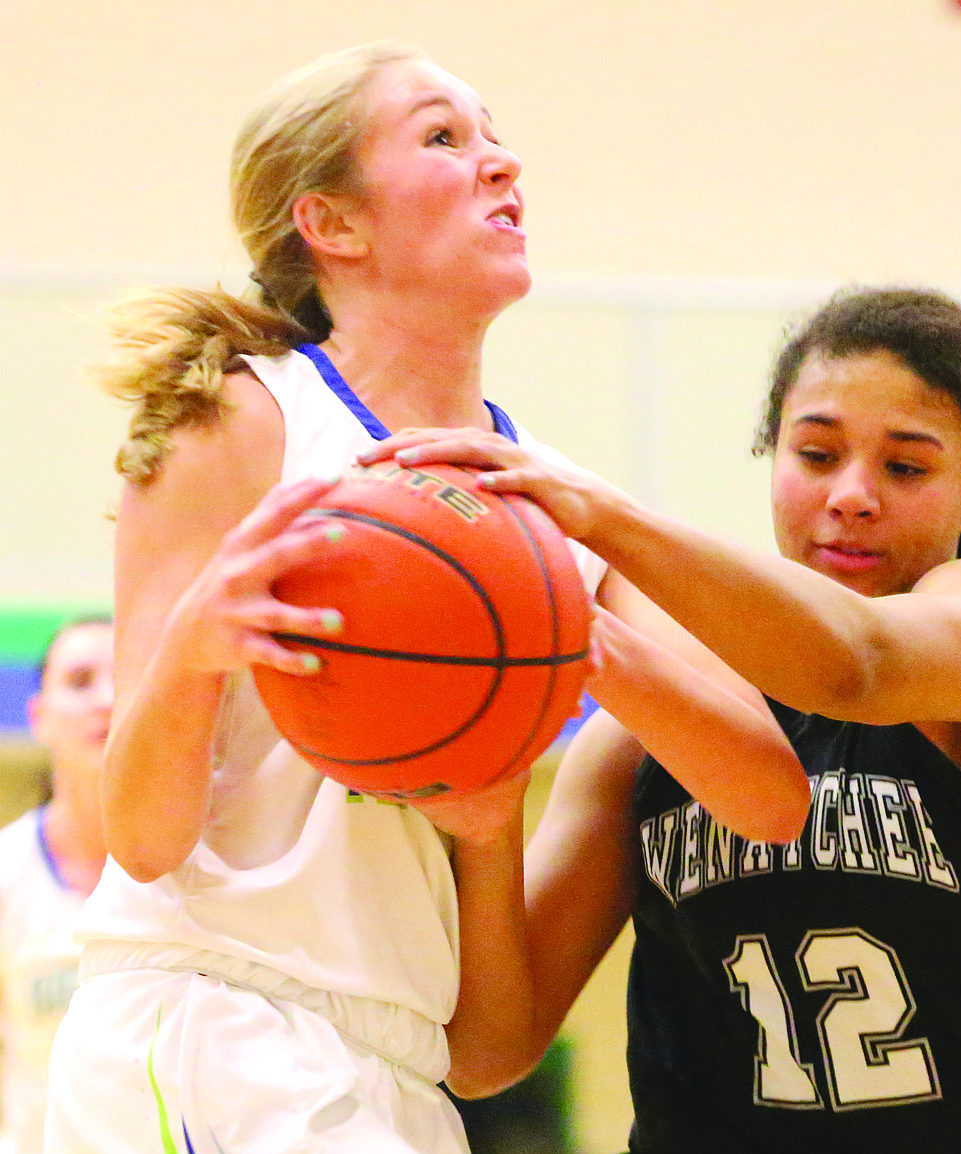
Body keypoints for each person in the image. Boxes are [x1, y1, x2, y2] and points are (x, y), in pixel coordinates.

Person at [44, 42, 803, 1154]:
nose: (502, 162)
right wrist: (195, 652)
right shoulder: (242, 423)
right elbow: (147, 842)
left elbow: (772, 797)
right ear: (334, 225)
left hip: (394, 1072)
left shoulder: (542, 496)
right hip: (210, 1022)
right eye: (446, 136)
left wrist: (573, 635)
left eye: (495, 133)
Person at [371, 286, 961, 1152]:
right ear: (771, 458)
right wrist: (487, 822)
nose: (852, 495)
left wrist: (600, 528)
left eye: (905, 467)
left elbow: (858, 665)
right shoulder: (644, 737)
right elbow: (486, 1055)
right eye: (816, 454)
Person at [0, 616, 112, 1154]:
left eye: (130, 678)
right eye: (82, 680)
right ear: (39, 717)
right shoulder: (7, 874)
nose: (107, 700)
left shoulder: (202, 869)